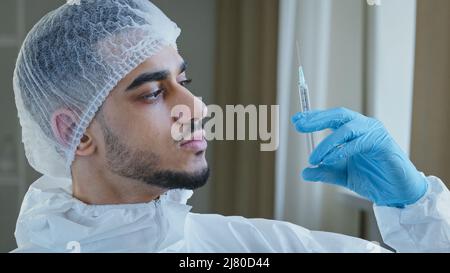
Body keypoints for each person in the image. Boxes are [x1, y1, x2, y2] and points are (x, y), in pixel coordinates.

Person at [12, 0, 450, 253]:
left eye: (183, 81)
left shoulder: (245, 249)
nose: (198, 107)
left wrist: (416, 209)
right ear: (75, 132)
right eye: (152, 93)